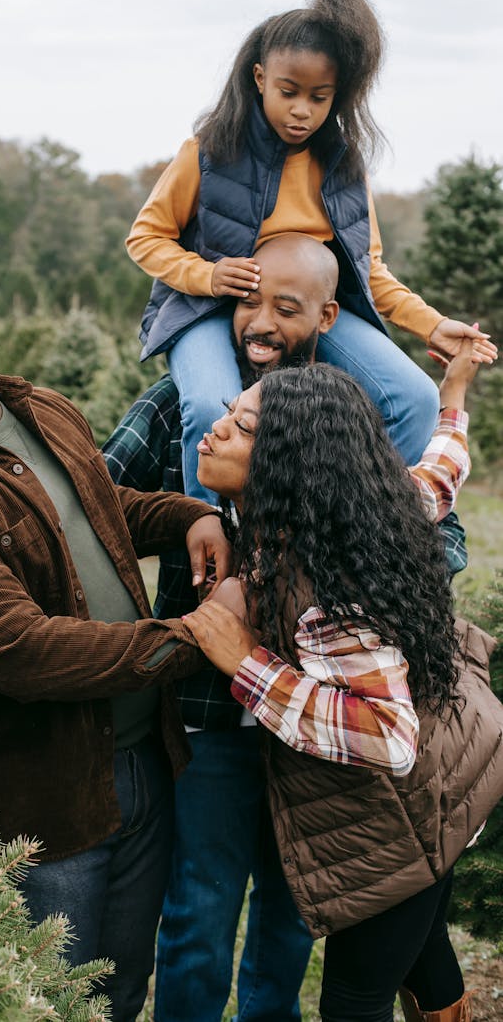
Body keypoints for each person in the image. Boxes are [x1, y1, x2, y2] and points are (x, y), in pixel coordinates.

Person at [0, 230, 234, 1022]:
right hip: (43, 806)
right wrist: (198, 637)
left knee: (122, 990)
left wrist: (189, 515)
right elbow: (22, 652)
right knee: (46, 1005)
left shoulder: (42, 411)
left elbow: (99, 509)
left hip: (142, 762)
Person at [103, 233, 468, 1022]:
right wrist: (190, 515)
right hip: (208, 715)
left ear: (326, 317)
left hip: (314, 728)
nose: (260, 323)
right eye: (248, 299)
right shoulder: (184, 405)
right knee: (199, 909)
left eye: (286, 307)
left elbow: (429, 511)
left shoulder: (333, 413)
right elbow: (97, 504)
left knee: (293, 909)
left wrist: (364, 572)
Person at [183, 351, 503, 1022]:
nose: (214, 432)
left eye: (241, 428)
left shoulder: (326, 592)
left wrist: (247, 662)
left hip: (408, 813)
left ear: (284, 467)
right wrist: (454, 397)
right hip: (456, 776)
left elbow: (389, 737)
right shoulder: (363, 510)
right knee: (424, 954)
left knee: (354, 1000)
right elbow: (440, 474)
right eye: (227, 415)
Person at [127, 0, 497, 503]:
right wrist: (207, 276)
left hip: (305, 308)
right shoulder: (208, 152)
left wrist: (433, 326)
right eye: (288, 92)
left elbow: (368, 271)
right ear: (259, 78)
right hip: (204, 308)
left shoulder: (343, 167)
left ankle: (373, 540)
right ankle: (207, 545)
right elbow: (146, 238)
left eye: (318, 98)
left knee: (414, 396)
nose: (302, 110)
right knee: (211, 406)